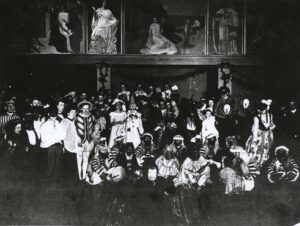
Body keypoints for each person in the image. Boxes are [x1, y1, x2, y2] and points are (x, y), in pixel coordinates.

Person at [246, 100, 275, 171]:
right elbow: (256, 129)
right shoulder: (258, 117)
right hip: (262, 135)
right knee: (259, 150)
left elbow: (270, 125)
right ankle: (256, 166)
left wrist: (255, 140)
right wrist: (255, 139)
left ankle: (258, 165)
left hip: (264, 136)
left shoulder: (267, 116)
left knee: (262, 151)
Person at [40, 108, 66, 183]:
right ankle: (48, 181)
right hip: (49, 147)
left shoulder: (58, 123)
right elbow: (44, 139)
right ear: (48, 115)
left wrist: (56, 136)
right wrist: (55, 139)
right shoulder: (44, 125)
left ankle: (56, 180)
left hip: (58, 146)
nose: (54, 118)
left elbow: (63, 136)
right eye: (52, 115)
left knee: (58, 165)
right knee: (50, 165)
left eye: (55, 115)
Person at [75, 100, 96, 181]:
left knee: (86, 159)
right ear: (81, 109)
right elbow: (73, 130)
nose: (86, 110)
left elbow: (95, 126)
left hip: (88, 141)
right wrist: (78, 140)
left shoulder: (92, 117)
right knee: (79, 159)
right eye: (84, 108)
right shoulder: (76, 117)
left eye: (87, 108)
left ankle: (83, 177)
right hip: (79, 141)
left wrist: (93, 136)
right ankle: (79, 177)